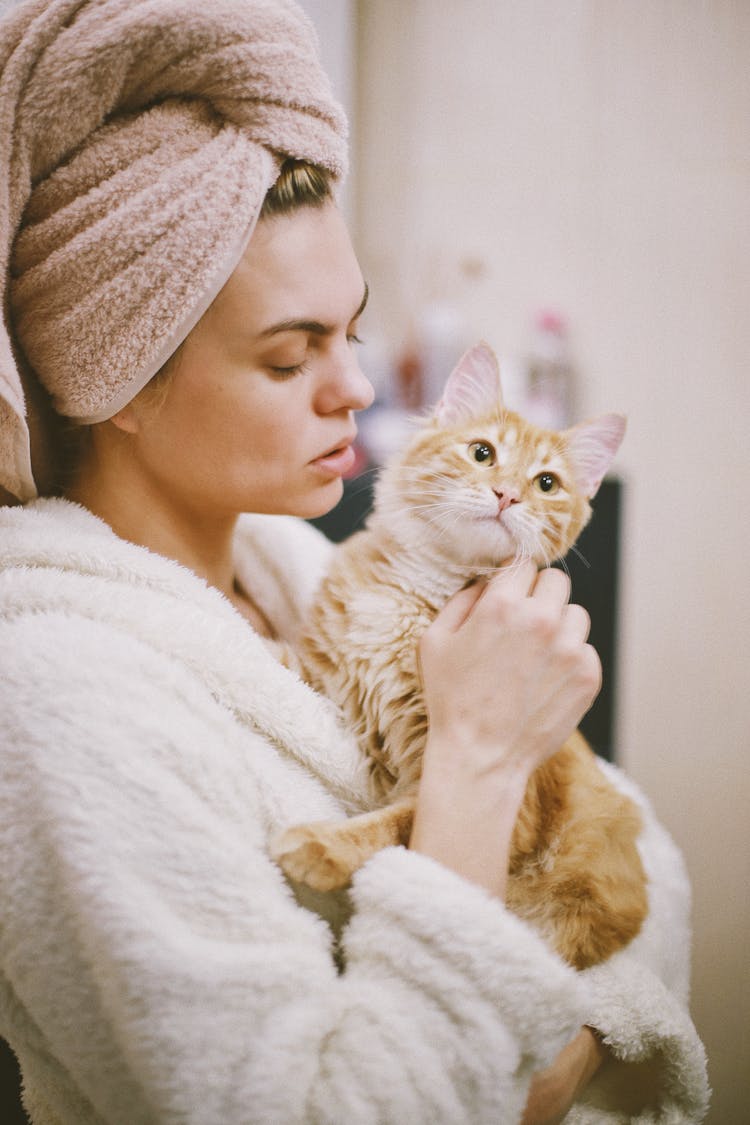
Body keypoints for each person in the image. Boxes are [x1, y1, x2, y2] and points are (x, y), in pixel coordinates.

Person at [0, 1, 709, 1122]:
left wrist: (567, 1034)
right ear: (117, 383)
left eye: (354, 333)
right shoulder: (63, 699)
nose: (360, 392)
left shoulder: (311, 577)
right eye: (292, 358)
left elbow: (651, 869)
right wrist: (476, 761)